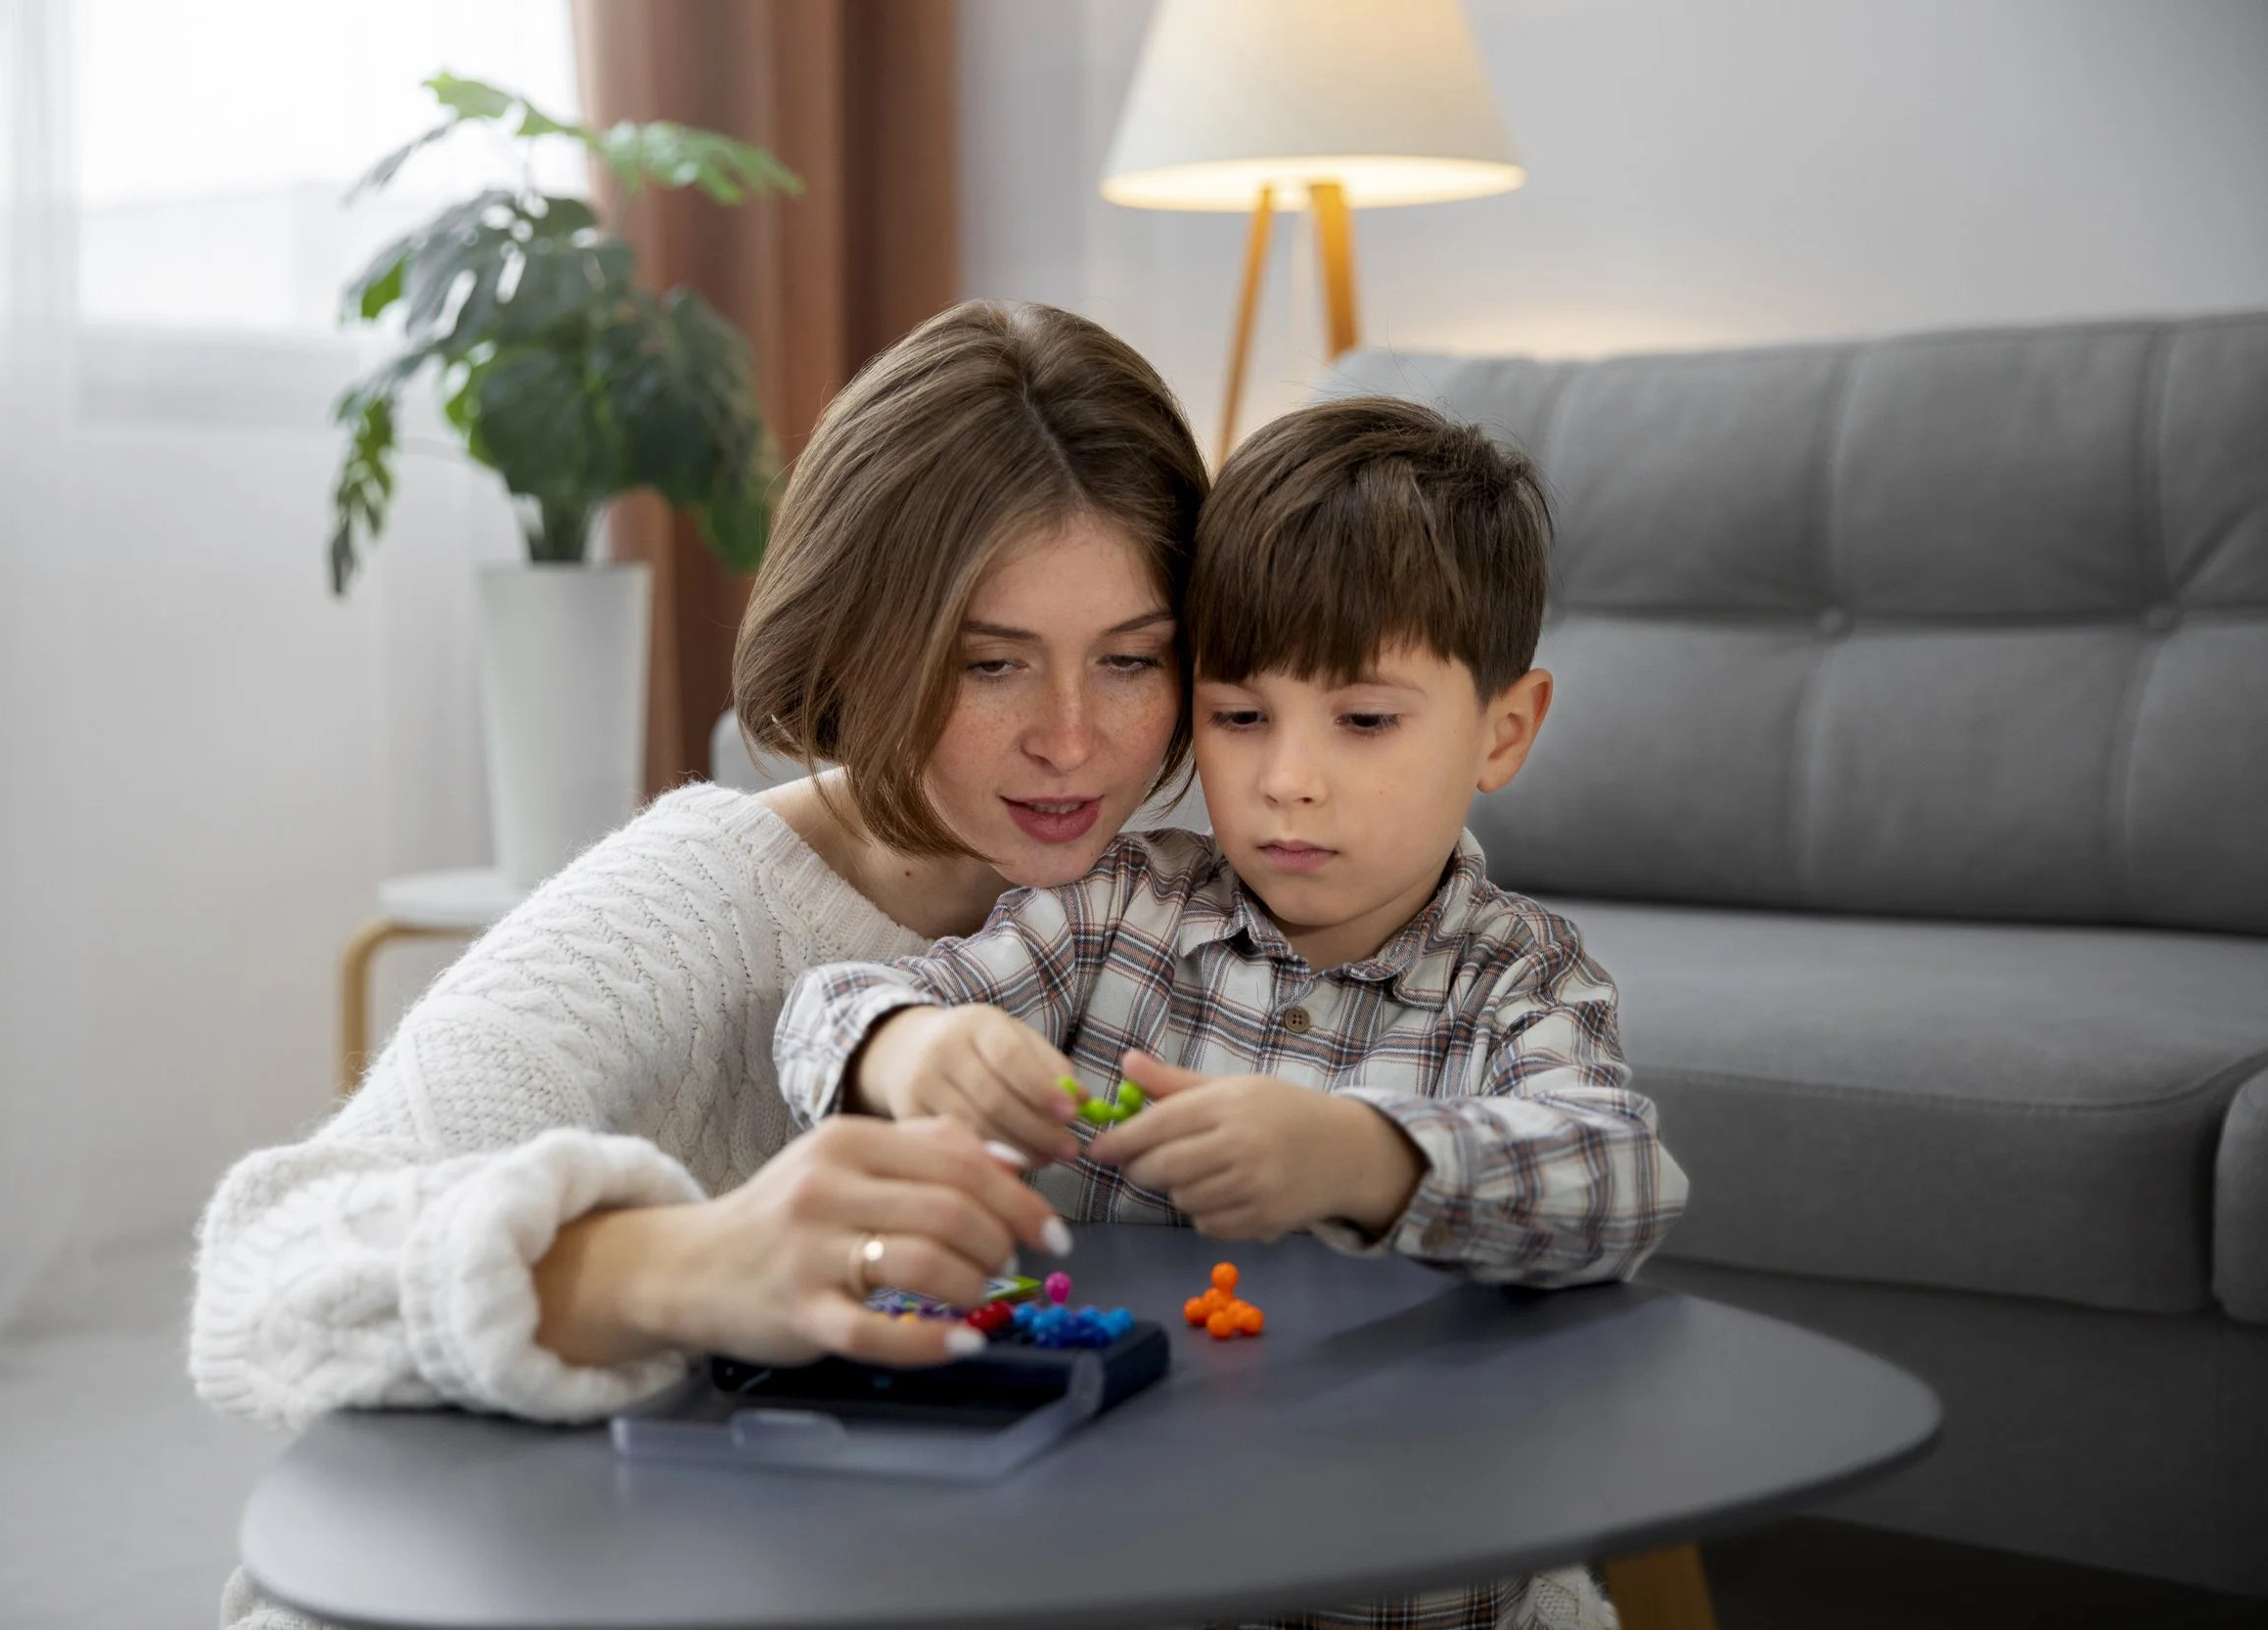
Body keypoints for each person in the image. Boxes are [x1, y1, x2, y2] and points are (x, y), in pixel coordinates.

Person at [193, 300, 1203, 1627]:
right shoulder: (703, 896)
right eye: (990, 663)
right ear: (860, 640)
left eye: (1131, 660)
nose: (1073, 739)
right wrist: (688, 1266)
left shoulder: (1228, 890)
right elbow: (266, 1276)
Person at [773, 396, 1692, 1630]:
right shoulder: (1115, 910)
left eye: (1364, 720)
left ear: (1502, 730)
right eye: (1238, 715)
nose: (1286, 778)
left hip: (1410, 1582)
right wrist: (909, 1042)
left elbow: (1622, 1180)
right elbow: (828, 1004)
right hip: (1118, 1563)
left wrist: (1362, 1156)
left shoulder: (1520, 978)